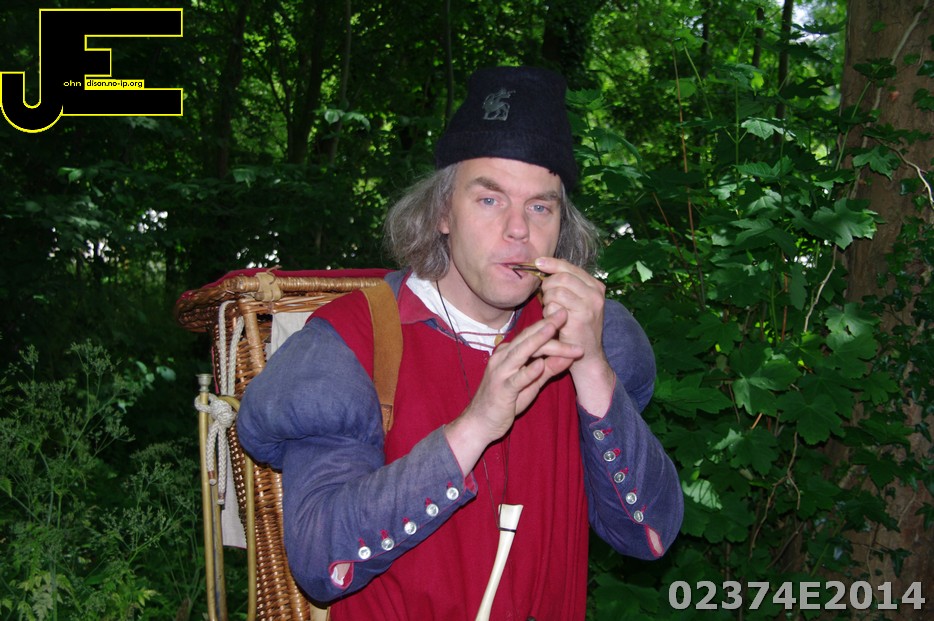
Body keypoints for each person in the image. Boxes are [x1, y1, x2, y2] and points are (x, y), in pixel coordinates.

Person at [237, 65, 683, 620]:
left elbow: (650, 535)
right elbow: (320, 559)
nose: (518, 229)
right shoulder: (351, 343)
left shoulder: (592, 334)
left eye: (540, 206)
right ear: (443, 213)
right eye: (490, 199)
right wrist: (474, 428)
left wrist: (591, 367)